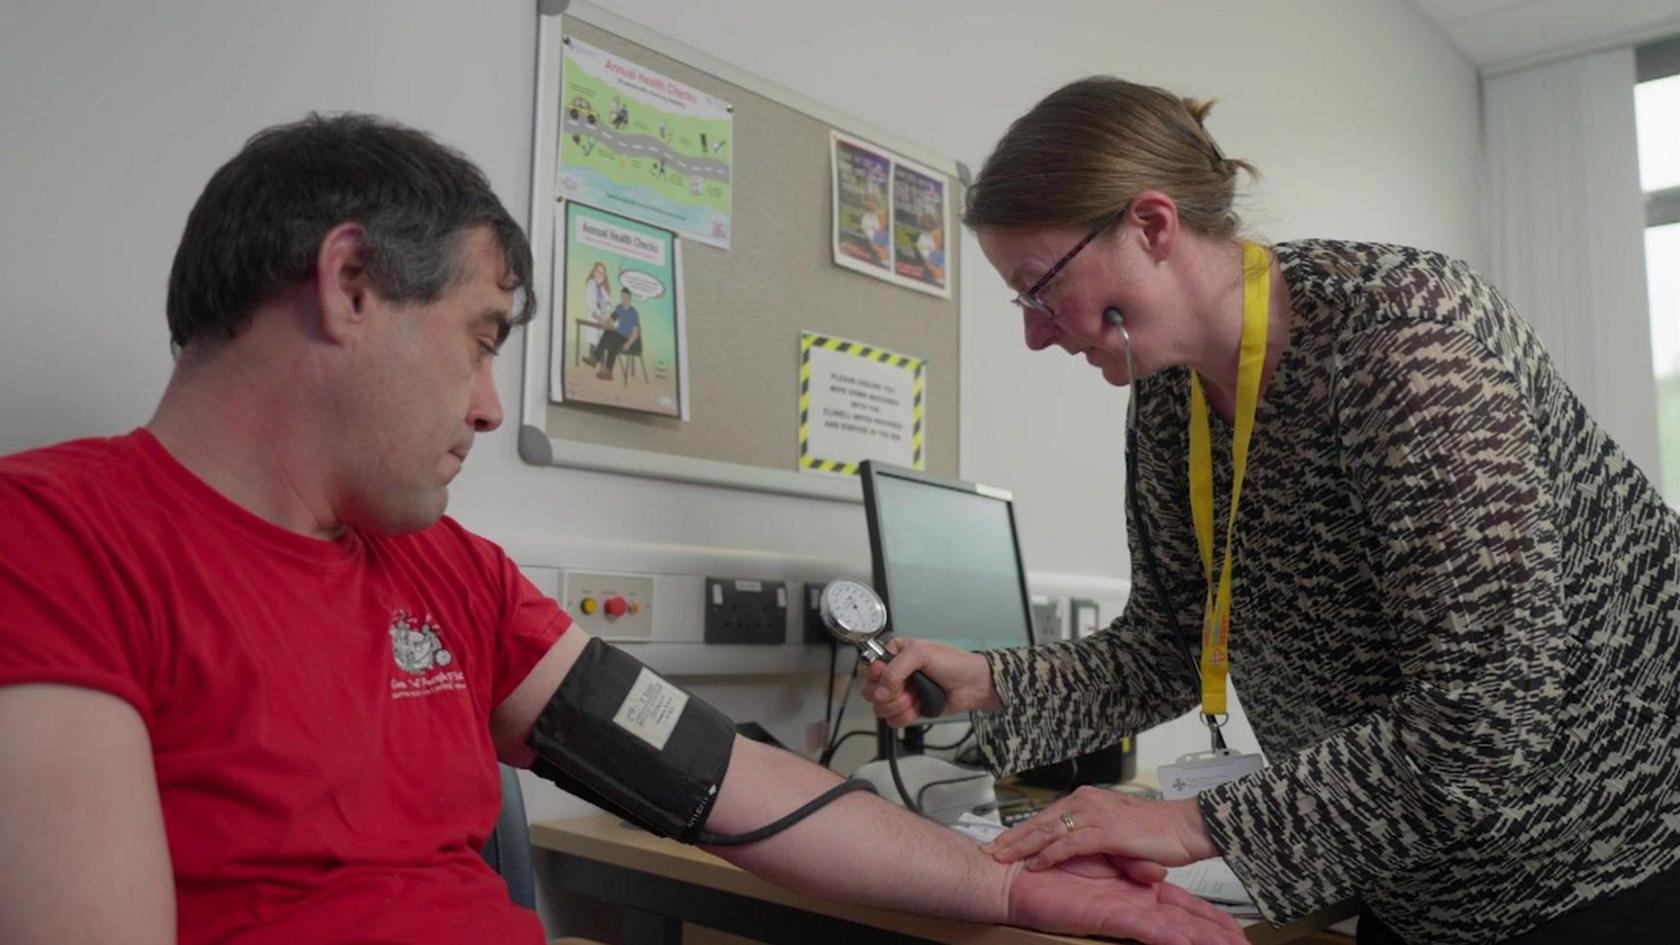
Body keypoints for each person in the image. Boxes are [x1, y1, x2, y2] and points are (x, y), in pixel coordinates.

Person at [0, 112, 1245, 945]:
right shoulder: (52, 546)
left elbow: (718, 777)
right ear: (350, 284)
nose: (492, 406)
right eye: (484, 339)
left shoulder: (448, 578)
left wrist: (1009, 884)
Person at [861, 76, 1680, 945]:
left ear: (1151, 226)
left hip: (1608, 855)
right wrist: (988, 682)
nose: (1036, 332)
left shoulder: (1406, 344)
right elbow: (1172, 647)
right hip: (1411, 873)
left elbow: (1486, 717)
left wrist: (1190, 824)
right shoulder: (1170, 399)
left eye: (1039, 288)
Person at [583, 287, 641, 380]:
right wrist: (598, 318)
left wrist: (628, 344)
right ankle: (607, 372)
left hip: (627, 339)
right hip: (618, 336)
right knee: (610, 335)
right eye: (622, 297)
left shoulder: (633, 313)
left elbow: (635, 332)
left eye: (626, 297)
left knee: (610, 336)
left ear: (630, 299)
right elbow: (609, 321)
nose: (624, 300)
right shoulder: (619, 309)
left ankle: (597, 360)